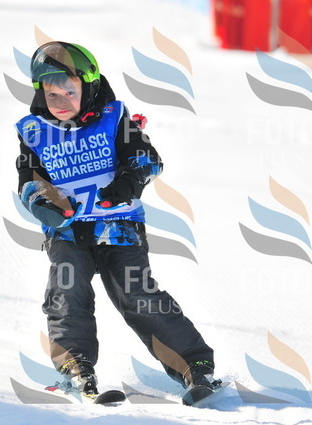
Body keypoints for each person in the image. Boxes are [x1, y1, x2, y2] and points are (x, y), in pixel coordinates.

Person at [15, 41, 217, 399]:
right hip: (68, 231)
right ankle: (75, 366)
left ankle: (193, 364)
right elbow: (30, 181)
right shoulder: (34, 132)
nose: (60, 101)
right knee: (67, 290)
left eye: (69, 91)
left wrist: (129, 180)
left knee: (136, 293)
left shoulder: (114, 118)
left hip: (119, 226)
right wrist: (42, 203)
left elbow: (146, 157)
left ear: (89, 85)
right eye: (51, 93)